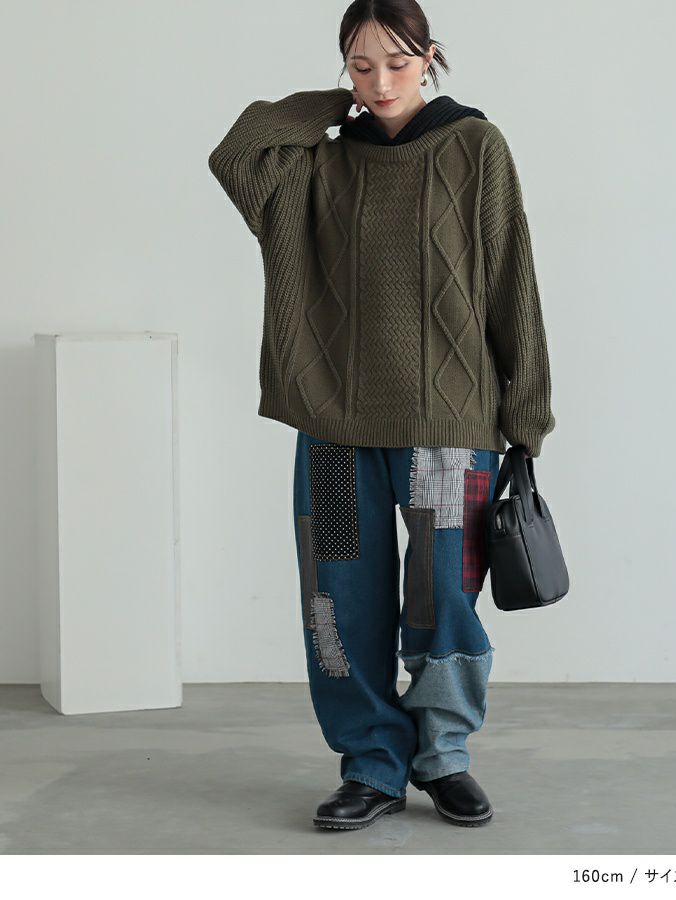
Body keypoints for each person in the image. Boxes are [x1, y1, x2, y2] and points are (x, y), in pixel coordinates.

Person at [207, 0, 555, 831]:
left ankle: (443, 754)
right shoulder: (316, 164)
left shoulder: (475, 146)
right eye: (360, 67)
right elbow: (237, 153)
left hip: (448, 426)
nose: (382, 82)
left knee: (443, 599)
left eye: (398, 63)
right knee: (337, 603)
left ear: (431, 56)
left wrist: (527, 415)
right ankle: (369, 763)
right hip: (332, 428)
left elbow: (512, 277)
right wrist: (336, 106)